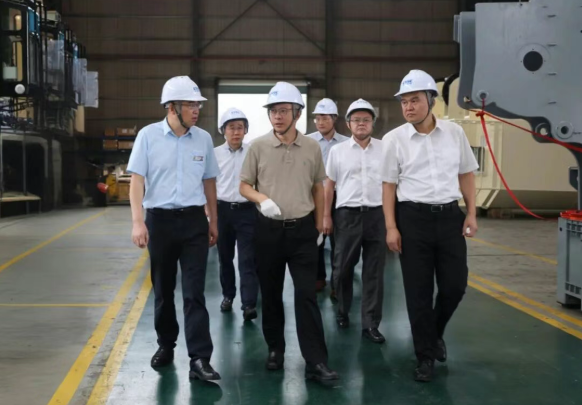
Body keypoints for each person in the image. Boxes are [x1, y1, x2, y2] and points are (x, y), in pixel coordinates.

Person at [381, 69, 479, 382]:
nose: (408, 107)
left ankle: (434, 333)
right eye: (404, 102)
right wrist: (391, 227)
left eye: (414, 100)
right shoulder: (394, 140)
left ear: (431, 101)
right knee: (418, 292)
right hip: (412, 220)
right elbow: (388, 186)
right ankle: (425, 356)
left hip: (450, 217)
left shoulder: (454, 133)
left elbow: (466, 173)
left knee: (455, 286)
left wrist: (471, 213)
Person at [239, 82, 339, 382]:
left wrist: (320, 223)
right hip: (268, 232)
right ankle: (275, 349)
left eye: (284, 110)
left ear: (297, 113)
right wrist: (262, 199)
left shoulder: (311, 147)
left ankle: (316, 361)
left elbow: (318, 186)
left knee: (306, 296)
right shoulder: (258, 146)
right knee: (270, 294)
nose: (278, 116)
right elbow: (244, 185)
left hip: (303, 232)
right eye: (273, 111)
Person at [127, 75, 221, 381]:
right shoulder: (148, 136)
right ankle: (166, 344)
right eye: (190, 105)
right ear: (172, 107)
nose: (196, 110)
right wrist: (138, 222)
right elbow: (137, 182)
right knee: (163, 289)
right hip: (160, 222)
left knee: (195, 292)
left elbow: (209, 182)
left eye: (197, 105)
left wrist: (213, 220)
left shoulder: (203, 139)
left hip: (194, 222)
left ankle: (200, 358)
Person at [323, 99, 386, 344]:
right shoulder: (338, 152)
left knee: (374, 272)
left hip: (377, 215)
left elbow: (392, 184)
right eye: (356, 120)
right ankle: (342, 310)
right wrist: (326, 216)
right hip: (347, 216)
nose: (361, 124)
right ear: (348, 124)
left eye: (366, 120)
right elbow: (329, 185)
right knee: (342, 268)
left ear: (373, 123)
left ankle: (371, 324)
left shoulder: (385, 149)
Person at [214, 107, 259, 321]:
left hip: (247, 211)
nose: (236, 132)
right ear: (223, 130)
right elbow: (208, 183)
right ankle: (228, 295)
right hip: (222, 211)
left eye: (240, 127)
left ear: (245, 130)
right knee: (225, 257)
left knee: (248, 259)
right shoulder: (214, 154)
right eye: (231, 127)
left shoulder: (253, 152)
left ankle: (249, 303)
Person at [306, 98, 349, 293]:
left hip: (339, 197)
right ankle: (318, 278)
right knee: (315, 240)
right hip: (315, 196)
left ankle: (337, 282)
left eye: (325, 118)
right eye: (317, 118)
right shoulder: (307, 142)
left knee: (339, 242)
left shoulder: (346, 143)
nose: (321, 122)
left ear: (334, 119)